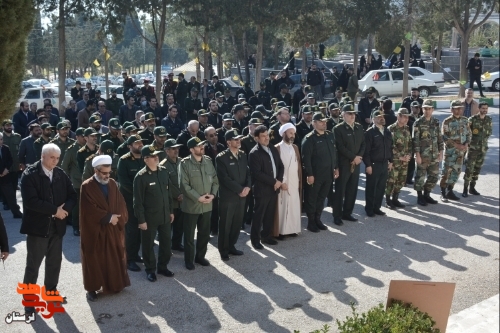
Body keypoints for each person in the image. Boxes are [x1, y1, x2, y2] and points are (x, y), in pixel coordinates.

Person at [20, 143, 77, 314]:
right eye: (52, 157)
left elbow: (72, 195)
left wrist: (65, 210)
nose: (55, 161)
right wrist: (55, 211)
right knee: (33, 266)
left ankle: (51, 294)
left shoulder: (60, 173)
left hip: (57, 228)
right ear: (43, 156)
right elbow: (31, 202)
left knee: (54, 263)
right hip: (38, 228)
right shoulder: (29, 175)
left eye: (58, 158)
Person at [80, 155, 129, 301]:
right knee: (94, 257)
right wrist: (108, 218)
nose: (107, 176)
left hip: (113, 228)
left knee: (113, 256)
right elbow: (88, 210)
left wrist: (118, 218)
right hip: (95, 229)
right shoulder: (87, 186)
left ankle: (115, 284)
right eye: (104, 173)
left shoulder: (112, 183)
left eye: (109, 173)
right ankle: (92, 288)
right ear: (96, 170)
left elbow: (120, 203)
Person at [134, 145, 175, 282]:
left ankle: (162, 267)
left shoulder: (163, 172)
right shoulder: (140, 177)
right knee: (148, 244)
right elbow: (138, 202)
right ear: (145, 159)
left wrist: (171, 211)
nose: (156, 157)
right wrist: (141, 220)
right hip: (149, 217)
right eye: (153, 156)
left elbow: (168, 194)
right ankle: (150, 270)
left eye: (157, 155)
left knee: (166, 243)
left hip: (164, 215)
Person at [179, 137, 219, 270]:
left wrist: (213, 194)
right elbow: (184, 185)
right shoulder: (184, 163)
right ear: (191, 149)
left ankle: (200, 256)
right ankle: (189, 260)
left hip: (207, 204)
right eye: (198, 146)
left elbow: (214, 179)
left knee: (204, 233)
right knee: (190, 236)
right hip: (192, 206)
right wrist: (198, 198)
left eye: (202, 145)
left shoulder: (207, 161)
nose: (202, 147)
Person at [215, 130, 250, 261]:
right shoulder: (221, 157)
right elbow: (224, 178)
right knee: (225, 224)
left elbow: (248, 173)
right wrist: (240, 189)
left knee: (237, 222)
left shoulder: (242, 154)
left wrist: (247, 187)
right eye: (235, 139)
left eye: (239, 139)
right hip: (228, 196)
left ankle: (231, 246)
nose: (238, 141)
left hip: (242, 195)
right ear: (228, 142)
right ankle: (223, 250)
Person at [248, 125, 284, 248]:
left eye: (267, 135)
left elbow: (281, 166)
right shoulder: (254, 153)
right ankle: (255, 240)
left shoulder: (272, 148)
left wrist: (278, 180)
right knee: (259, 215)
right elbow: (257, 174)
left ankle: (266, 236)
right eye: (263, 136)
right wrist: (274, 182)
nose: (266, 138)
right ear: (257, 138)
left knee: (269, 214)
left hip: (274, 188)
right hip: (262, 190)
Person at [301, 113, 338, 231]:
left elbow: (334, 153)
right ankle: (311, 222)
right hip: (315, 175)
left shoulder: (329, 135)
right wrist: (310, 174)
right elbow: (306, 159)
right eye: (321, 121)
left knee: (322, 198)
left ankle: (318, 219)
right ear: (314, 123)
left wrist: (336, 167)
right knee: (312, 198)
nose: (324, 123)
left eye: (325, 121)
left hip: (328, 174)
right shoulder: (309, 138)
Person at [332, 104, 365, 225]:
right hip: (344, 163)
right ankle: (337, 215)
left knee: (352, 189)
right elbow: (340, 147)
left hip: (356, 163)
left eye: (354, 113)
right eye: (350, 113)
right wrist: (353, 157)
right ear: (343, 115)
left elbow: (363, 144)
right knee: (340, 190)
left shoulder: (359, 127)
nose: (352, 116)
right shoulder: (338, 129)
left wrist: (359, 157)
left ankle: (347, 213)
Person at [117, 135, 145, 271]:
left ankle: (135, 254)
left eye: (140, 142)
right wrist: (138, 194)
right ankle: (129, 259)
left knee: (141, 228)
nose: (139, 144)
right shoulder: (124, 161)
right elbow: (124, 183)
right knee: (131, 230)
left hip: (144, 199)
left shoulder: (145, 157)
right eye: (136, 143)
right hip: (130, 200)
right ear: (129, 146)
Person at [412, 99, 444, 206]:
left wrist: (441, 152)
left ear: (433, 110)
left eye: (429, 109)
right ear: (422, 109)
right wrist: (417, 155)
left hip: (434, 155)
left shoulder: (436, 122)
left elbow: (440, 138)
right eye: (425, 109)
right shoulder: (418, 123)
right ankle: (420, 196)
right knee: (420, 177)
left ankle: (427, 194)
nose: (427, 111)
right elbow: (415, 140)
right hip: (422, 155)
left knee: (434, 177)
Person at [272, 123, 301, 239]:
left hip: (294, 182)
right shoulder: (277, 148)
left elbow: (297, 165)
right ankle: (280, 231)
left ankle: (292, 229)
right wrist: (282, 182)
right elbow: (276, 167)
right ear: (284, 134)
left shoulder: (295, 148)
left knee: (293, 205)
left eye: (293, 133)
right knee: (282, 207)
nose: (292, 136)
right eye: (290, 133)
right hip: (282, 182)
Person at [439, 100, 471, 202]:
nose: (458, 110)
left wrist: (466, 144)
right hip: (450, 153)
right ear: (451, 109)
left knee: (456, 172)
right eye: (456, 108)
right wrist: (457, 145)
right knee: (446, 173)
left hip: (461, 153)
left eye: (459, 108)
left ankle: (450, 191)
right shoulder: (447, 121)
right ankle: (443, 193)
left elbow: (469, 134)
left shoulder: (465, 120)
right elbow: (444, 137)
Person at [363, 109, 393, 217]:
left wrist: (391, 161)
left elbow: (391, 147)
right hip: (374, 164)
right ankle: (369, 209)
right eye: (379, 117)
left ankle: (377, 207)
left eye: (383, 117)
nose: (382, 118)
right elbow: (366, 152)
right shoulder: (369, 133)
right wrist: (368, 165)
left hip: (384, 164)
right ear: (374, 119)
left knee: (381, 187)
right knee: (371, 187)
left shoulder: (387, 131)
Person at [159, 139, 184, 251]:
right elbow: (166, 183)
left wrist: (184, 193)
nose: (176, 150)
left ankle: (177, 244)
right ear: (167, 151)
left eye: (177, 148)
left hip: (182, 200)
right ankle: (165, 247)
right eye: (173, 149)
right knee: (168, 226)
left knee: (180, 226)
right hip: (171, 202)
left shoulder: (182, 161)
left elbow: (187, 179)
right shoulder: (162, 166)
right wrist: (178, 194)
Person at [462, 102, 492, 197]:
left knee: (477, 169)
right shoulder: (472, 119)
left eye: (486, 108)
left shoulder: (488, 119)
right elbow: (466, 133)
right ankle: (465, 189)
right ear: (479, 109)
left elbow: (489, 133)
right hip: (472, 149)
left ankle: (472, 187)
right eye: (483, 108)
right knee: (469, 169)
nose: (485, 110)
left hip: (482, 149)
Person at [385, 109, 412, 209]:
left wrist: (408, 155)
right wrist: (400, 157)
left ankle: (395, 199)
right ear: (398, 116)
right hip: (395, 161)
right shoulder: (391, 129)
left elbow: (409, 144)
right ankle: (388, 200)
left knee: (401, 180)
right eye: (404, 116)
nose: (406, 119)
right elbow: (390, 146)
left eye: (407, 117)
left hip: (405, 161)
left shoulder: (407, 129)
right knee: (391, 180)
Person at [61, 128, 86, 236]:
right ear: (77, 137)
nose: (85, 138)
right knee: (77, 206)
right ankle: (76, 227)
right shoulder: (72, 150)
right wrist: (68, 181)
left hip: (89, 180)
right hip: (76, 181)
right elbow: (64, 167)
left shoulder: (90, 148)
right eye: (82, 136)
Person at [203, 126, 225, 236]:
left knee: (220, 205)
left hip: (221, 179)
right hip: (210, 181)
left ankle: (217, 227)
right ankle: (210, 228)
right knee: (212, 206)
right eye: (211, 136)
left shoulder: (221, 146)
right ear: (206, 137)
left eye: (215, 134)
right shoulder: (204, 149)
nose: (214, 137)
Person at [0, 133, 23, 218]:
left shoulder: (5, 148)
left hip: (5, 175)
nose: (0, 141)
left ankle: (17, 213)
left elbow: (10, 160)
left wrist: (6, 169)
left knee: (11, 196)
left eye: (1, 139)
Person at [406, 101, 422, 185]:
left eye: (418, 107)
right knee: (408, 161)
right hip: (409, 143)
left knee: (412, 162)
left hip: (417, 143)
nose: (417, 109)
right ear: (411, 108)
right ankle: (405, 179)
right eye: (415, 107)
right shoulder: (408, 118)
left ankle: (409, 178)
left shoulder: (420, 118)